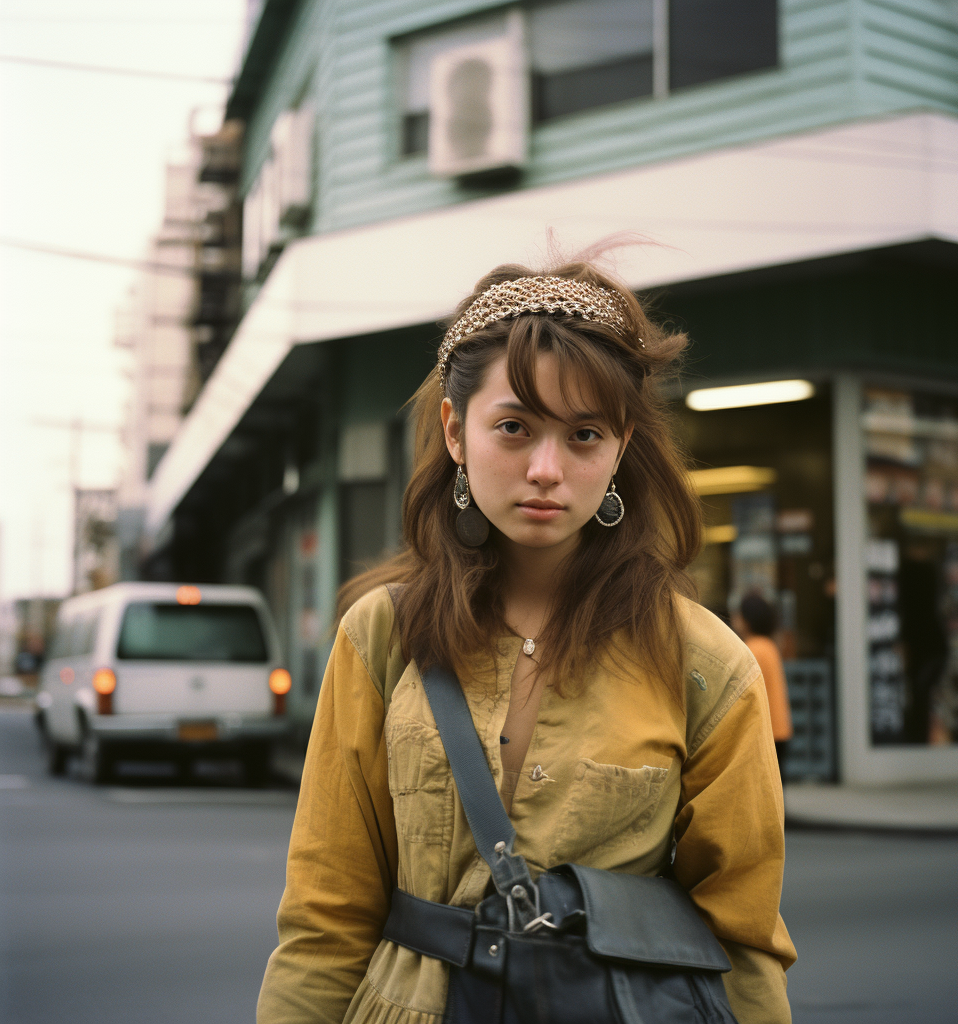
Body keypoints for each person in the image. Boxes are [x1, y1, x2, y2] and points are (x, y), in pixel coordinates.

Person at [256, 263, 797, 1024]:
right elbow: (324, 918)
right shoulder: (382, 634)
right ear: (455, 430)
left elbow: (742, 942)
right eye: (514, 427)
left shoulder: (706, 665)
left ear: (620, 446)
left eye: (584, 435)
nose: (547, 470)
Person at [733, 593, 793, 782]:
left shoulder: (752, 648)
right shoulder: (769, 645)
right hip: (780, 726)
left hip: (764, 731)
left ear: (747, 620)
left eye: (739, 615)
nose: (735, 619)